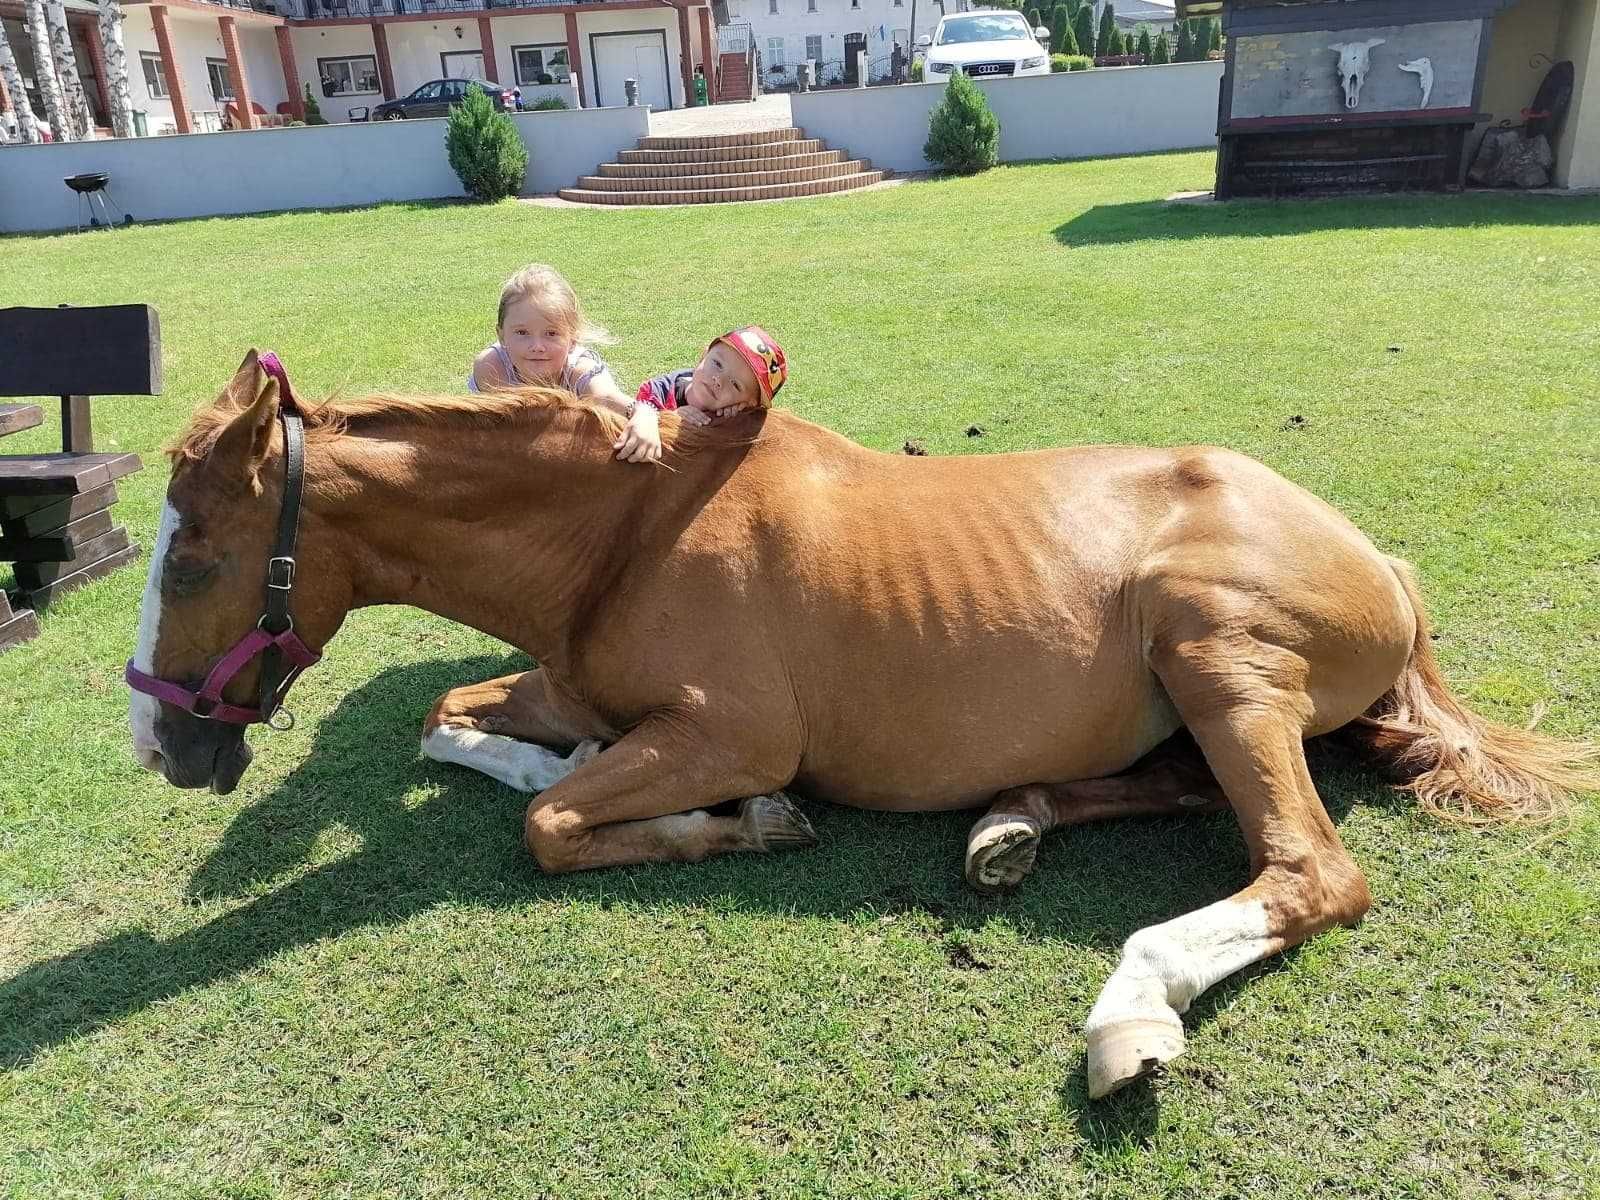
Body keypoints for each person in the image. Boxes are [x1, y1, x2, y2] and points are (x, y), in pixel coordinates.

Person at [470, 263, 664, 463]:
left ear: (573, 340)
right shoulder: (492, 366)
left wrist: (645, 415)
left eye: (551, 333)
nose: (537, 346)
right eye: (522, 332)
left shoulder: (580, 370)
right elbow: (510, 429)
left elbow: (608, 397)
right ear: (501, 336)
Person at [633, 326, 788, 425]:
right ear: (704, 355)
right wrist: (667, 419)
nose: (719, 380)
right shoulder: (655, 392)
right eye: (718, 364)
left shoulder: (737, 424)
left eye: (735, 384)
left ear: (748, 404)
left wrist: (734, 423)